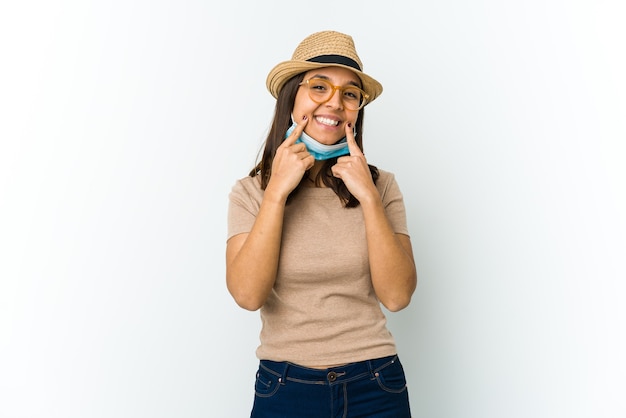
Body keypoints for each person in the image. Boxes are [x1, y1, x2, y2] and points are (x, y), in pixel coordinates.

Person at [226, 30, 417, 418]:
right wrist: (277, 192)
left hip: (376, 384)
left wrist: (367, 197)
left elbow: (397, 297)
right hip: (285, 387)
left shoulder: (381, 186)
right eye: (319, 87)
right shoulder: (251, 192)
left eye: (350, 94)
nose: (335, 102)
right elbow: (247, 295)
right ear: (292, 98)